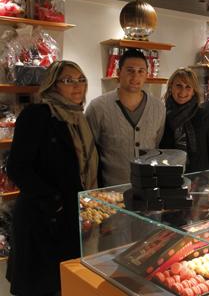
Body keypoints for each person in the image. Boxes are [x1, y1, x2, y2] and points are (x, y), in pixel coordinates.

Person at [6, 60, 98, 296]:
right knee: (42, 286)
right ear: (53, 85)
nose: (77, 86)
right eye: (68, 80)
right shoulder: (37, 115)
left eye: (81, 79)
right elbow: (17, 167)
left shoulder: (80, 119)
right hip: (42, 219)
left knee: (67, 283)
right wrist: (53, 201)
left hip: (70, 218)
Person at [86, 49, 165, 186]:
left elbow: (157, 144)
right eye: (130, 70)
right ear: (118, 72)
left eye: (141, 71)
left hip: (147, 190)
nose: (135, 76)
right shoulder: (98, 107)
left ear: (147, 74)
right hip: (110, 191)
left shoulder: (159, 107)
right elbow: (89, 152)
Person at [160, 68, 209, 172]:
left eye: (188, 87)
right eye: (179, 85)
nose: (183, 91)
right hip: (168, 177)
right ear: (171, 87)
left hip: (199, 179)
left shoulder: (204, 116)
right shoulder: (161, 115)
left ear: (193, 91)